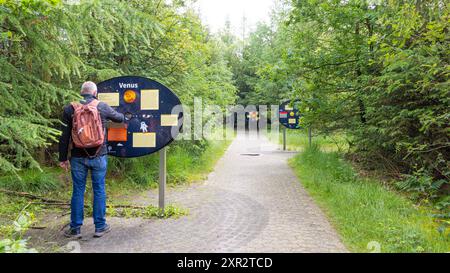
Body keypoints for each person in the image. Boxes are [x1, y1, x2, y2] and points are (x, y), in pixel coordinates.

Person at [59, 81, 124, 239]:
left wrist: (62, 158)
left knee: (78, 191)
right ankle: (100, 227)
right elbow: (120, 118)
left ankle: (75, 229)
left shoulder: (70, 109)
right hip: (99, 155)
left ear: (81, 92)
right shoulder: (101, 106)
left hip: (77, 157)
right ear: (95, 93)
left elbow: (64, 137)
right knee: (99, 189)